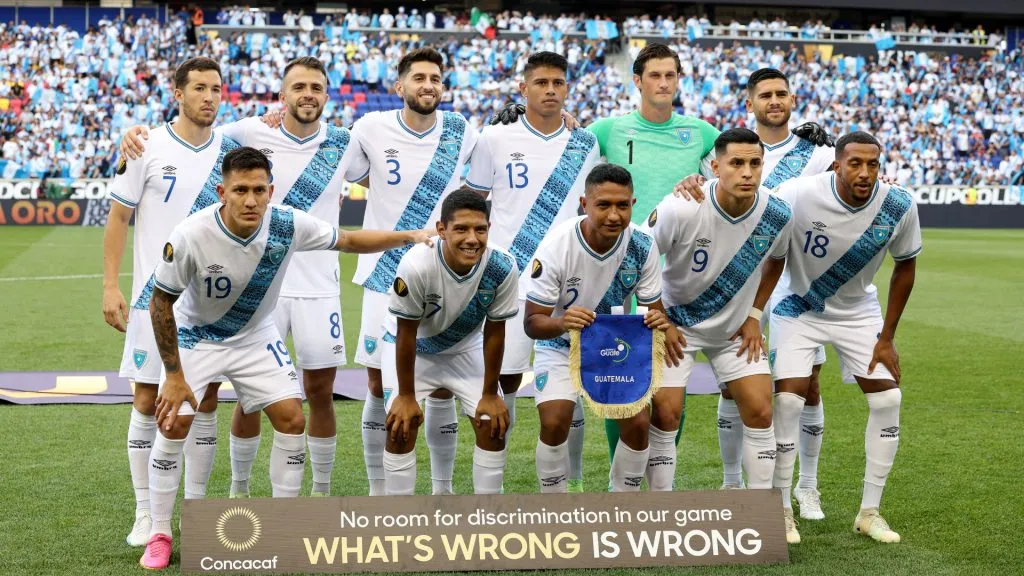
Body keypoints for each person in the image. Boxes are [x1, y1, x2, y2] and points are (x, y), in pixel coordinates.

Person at [138, 147, 431, 569]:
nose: (251, 199)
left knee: (293, 418)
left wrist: (408, 236)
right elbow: (160, 304)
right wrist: (173, 374)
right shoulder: (190, 234)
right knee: (174, 419)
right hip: (197, 336)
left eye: (260, 189)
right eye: (240, 190)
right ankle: (160, 531)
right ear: (222, 191)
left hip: (255, 336)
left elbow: (347, 240)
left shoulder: (287, 224)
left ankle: (283, 522)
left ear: (271, 191)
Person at [119, 56, 366, 498]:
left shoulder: (347, 142)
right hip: (252, 286)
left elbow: (387, 175)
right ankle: (233, 493)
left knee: (318, 392)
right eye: (298, 87)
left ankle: (320, 499)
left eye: (316, 87)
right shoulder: (250, 131)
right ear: (282, 94)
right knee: (233, 398)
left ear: (329, 94)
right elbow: (192, 130)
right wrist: (136, 133)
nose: (307, 95)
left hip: (318, 284)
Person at [674, 68, 834, 510]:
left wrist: (833, 143)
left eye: (782, 93)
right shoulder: (732, 147)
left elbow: (850, 184)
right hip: (738, 280)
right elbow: (697, 190)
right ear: (751, 103)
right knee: (734, 384)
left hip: (794, 283)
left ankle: (806, 486)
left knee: (806, 385)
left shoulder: (817, 151)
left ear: (793, 98)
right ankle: (732, 483)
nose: (775, 101)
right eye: (765, 95)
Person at [101, 57, 239, 547]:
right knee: (146, 400)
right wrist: (109, 286)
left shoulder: (233, 148)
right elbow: (118, 217)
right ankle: (145, 512)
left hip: (209, 304)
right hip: (149, 299)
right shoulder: (147, 145)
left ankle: (197, 511)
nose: (209, 96)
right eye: (199, 88)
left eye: (216, 89)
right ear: (177, 93)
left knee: (204, 404)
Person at [769, 132, 921, 545]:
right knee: (787, 402)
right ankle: (780, 510)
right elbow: (761, 227)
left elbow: (905, 266)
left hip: (858, 312)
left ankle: (870, 513)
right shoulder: (797, 193)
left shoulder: (899, 204)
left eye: (873, 164)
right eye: (855, 163)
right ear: (836, 165)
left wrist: (886, 337)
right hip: (798, 307)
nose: (865, 172)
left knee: (889, 398)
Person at [642, 129, 792, 532]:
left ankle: (760, 514)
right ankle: (659, 512)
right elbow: (640, 253)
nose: (747, 172)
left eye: (755, 163)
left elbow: (776, 259)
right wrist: (659, 316)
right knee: (667, 412)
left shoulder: (777, 212)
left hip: (734, 331)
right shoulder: (681, 206)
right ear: (714, 167)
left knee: (762, 410)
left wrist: (755, 314)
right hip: (678, 328)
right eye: (736, 164)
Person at [465, 51, 600, 492]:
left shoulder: (585, 143)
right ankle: (492, 485)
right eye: (540, 83)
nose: (550, 90)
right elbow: (473, 204)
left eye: (557, 83)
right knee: (500, 381)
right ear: (523, 89)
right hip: (511, 281)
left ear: (567, 89)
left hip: (571, 284)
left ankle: (572, 482)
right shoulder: (495, 137)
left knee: (572, 382)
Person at [348, 48, 479, 496]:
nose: (428, 85)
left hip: (442, 273)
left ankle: (442, 490)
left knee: (441, 383)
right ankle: (377, 489)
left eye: (436, 78)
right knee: (376, 381)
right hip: (384, 270)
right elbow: (326, 160)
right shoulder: (369, 128)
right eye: (419, 78)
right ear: (399, 86)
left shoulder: (461, 130)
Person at [523, 163, 684, 493]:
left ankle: (620, 504)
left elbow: (655, 310)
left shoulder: (642, 245)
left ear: (632, 204)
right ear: (585, 204)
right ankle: (554, 505)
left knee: (639, 423)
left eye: (622, 206)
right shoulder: (557, 246)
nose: (614, 215)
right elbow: (532, 323)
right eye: (603, 205)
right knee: (555, 421)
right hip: (559, 345)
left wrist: (660, 323)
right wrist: (561, 322)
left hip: (612, 348)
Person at [382, 189, 519, 495]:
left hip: (465, 349)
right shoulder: (417, 265)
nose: (472, 239)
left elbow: (496, 331)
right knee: (400, 426)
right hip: (412, 350)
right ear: (441, 229)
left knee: (492, 424)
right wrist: (405, 396)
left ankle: (488, 520)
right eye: (461, 229)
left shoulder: (502, 266)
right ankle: (397, 520)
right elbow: (405, 332)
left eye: (480, 229)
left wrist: (489, 393)